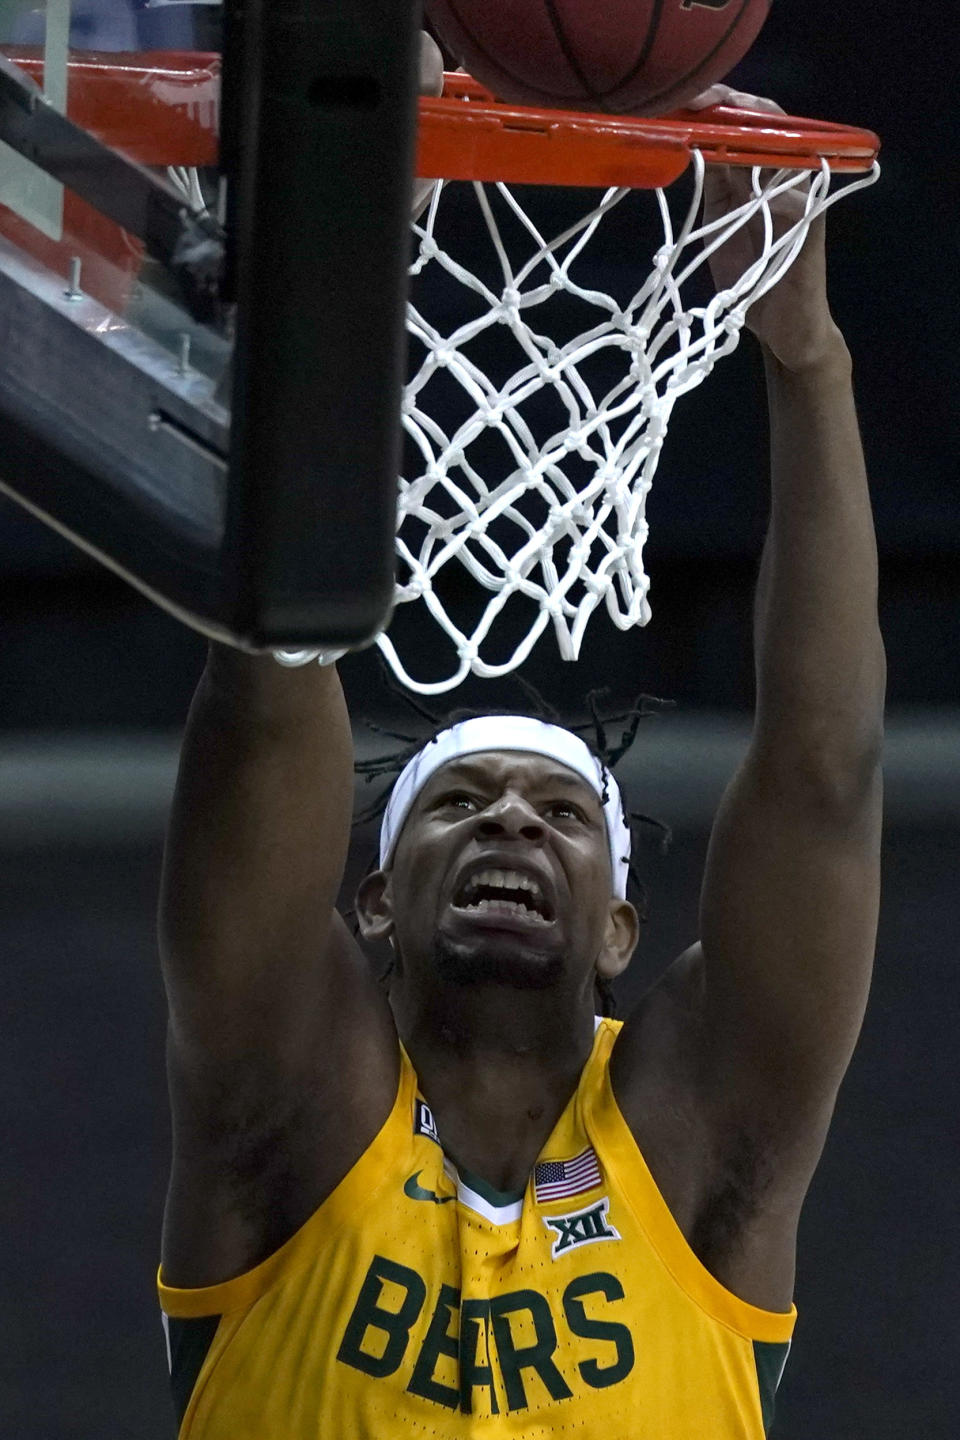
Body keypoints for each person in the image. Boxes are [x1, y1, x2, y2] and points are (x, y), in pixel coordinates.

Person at [155, 34, 885, 1440]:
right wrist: (334, 272)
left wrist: (808, 361)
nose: (506, 821)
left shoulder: (694, 1152)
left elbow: (824, 774)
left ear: (622, 926)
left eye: (561, 815)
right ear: (371, 899)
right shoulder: (295, 1118)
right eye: (459, 805)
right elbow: (265, 708)